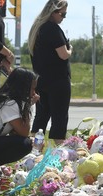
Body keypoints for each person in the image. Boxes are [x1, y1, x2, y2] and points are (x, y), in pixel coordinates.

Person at [28, 0, 72, 145]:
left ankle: (33, 150)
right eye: (63, 14)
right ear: (53, 12)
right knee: (59, 117)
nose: (63, 18)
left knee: (41, 116)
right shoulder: (52, 28)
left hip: (41, 80)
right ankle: (59, 152)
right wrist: (70, 48)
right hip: (58, 81)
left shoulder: (37, 29)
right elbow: (63, 54)